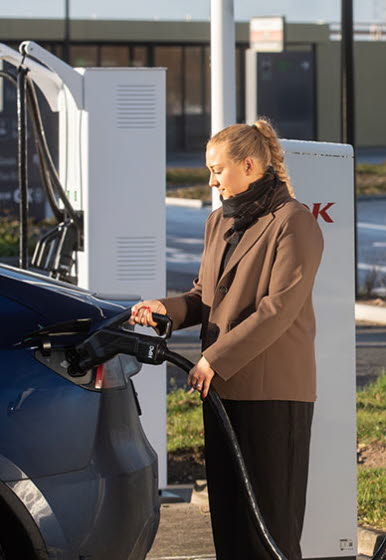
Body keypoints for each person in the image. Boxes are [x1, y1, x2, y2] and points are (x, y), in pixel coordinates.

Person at [130, 119, 324, 559]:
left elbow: (278, 310)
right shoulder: (220, 221)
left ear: (250, 165)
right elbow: (204, 296)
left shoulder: (294, 222)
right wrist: (166, 310)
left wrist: (214, 358)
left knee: (270, 524)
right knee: (231, 519)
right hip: (223, 387)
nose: (212, 180)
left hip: (273, 392)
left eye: (217, 170)